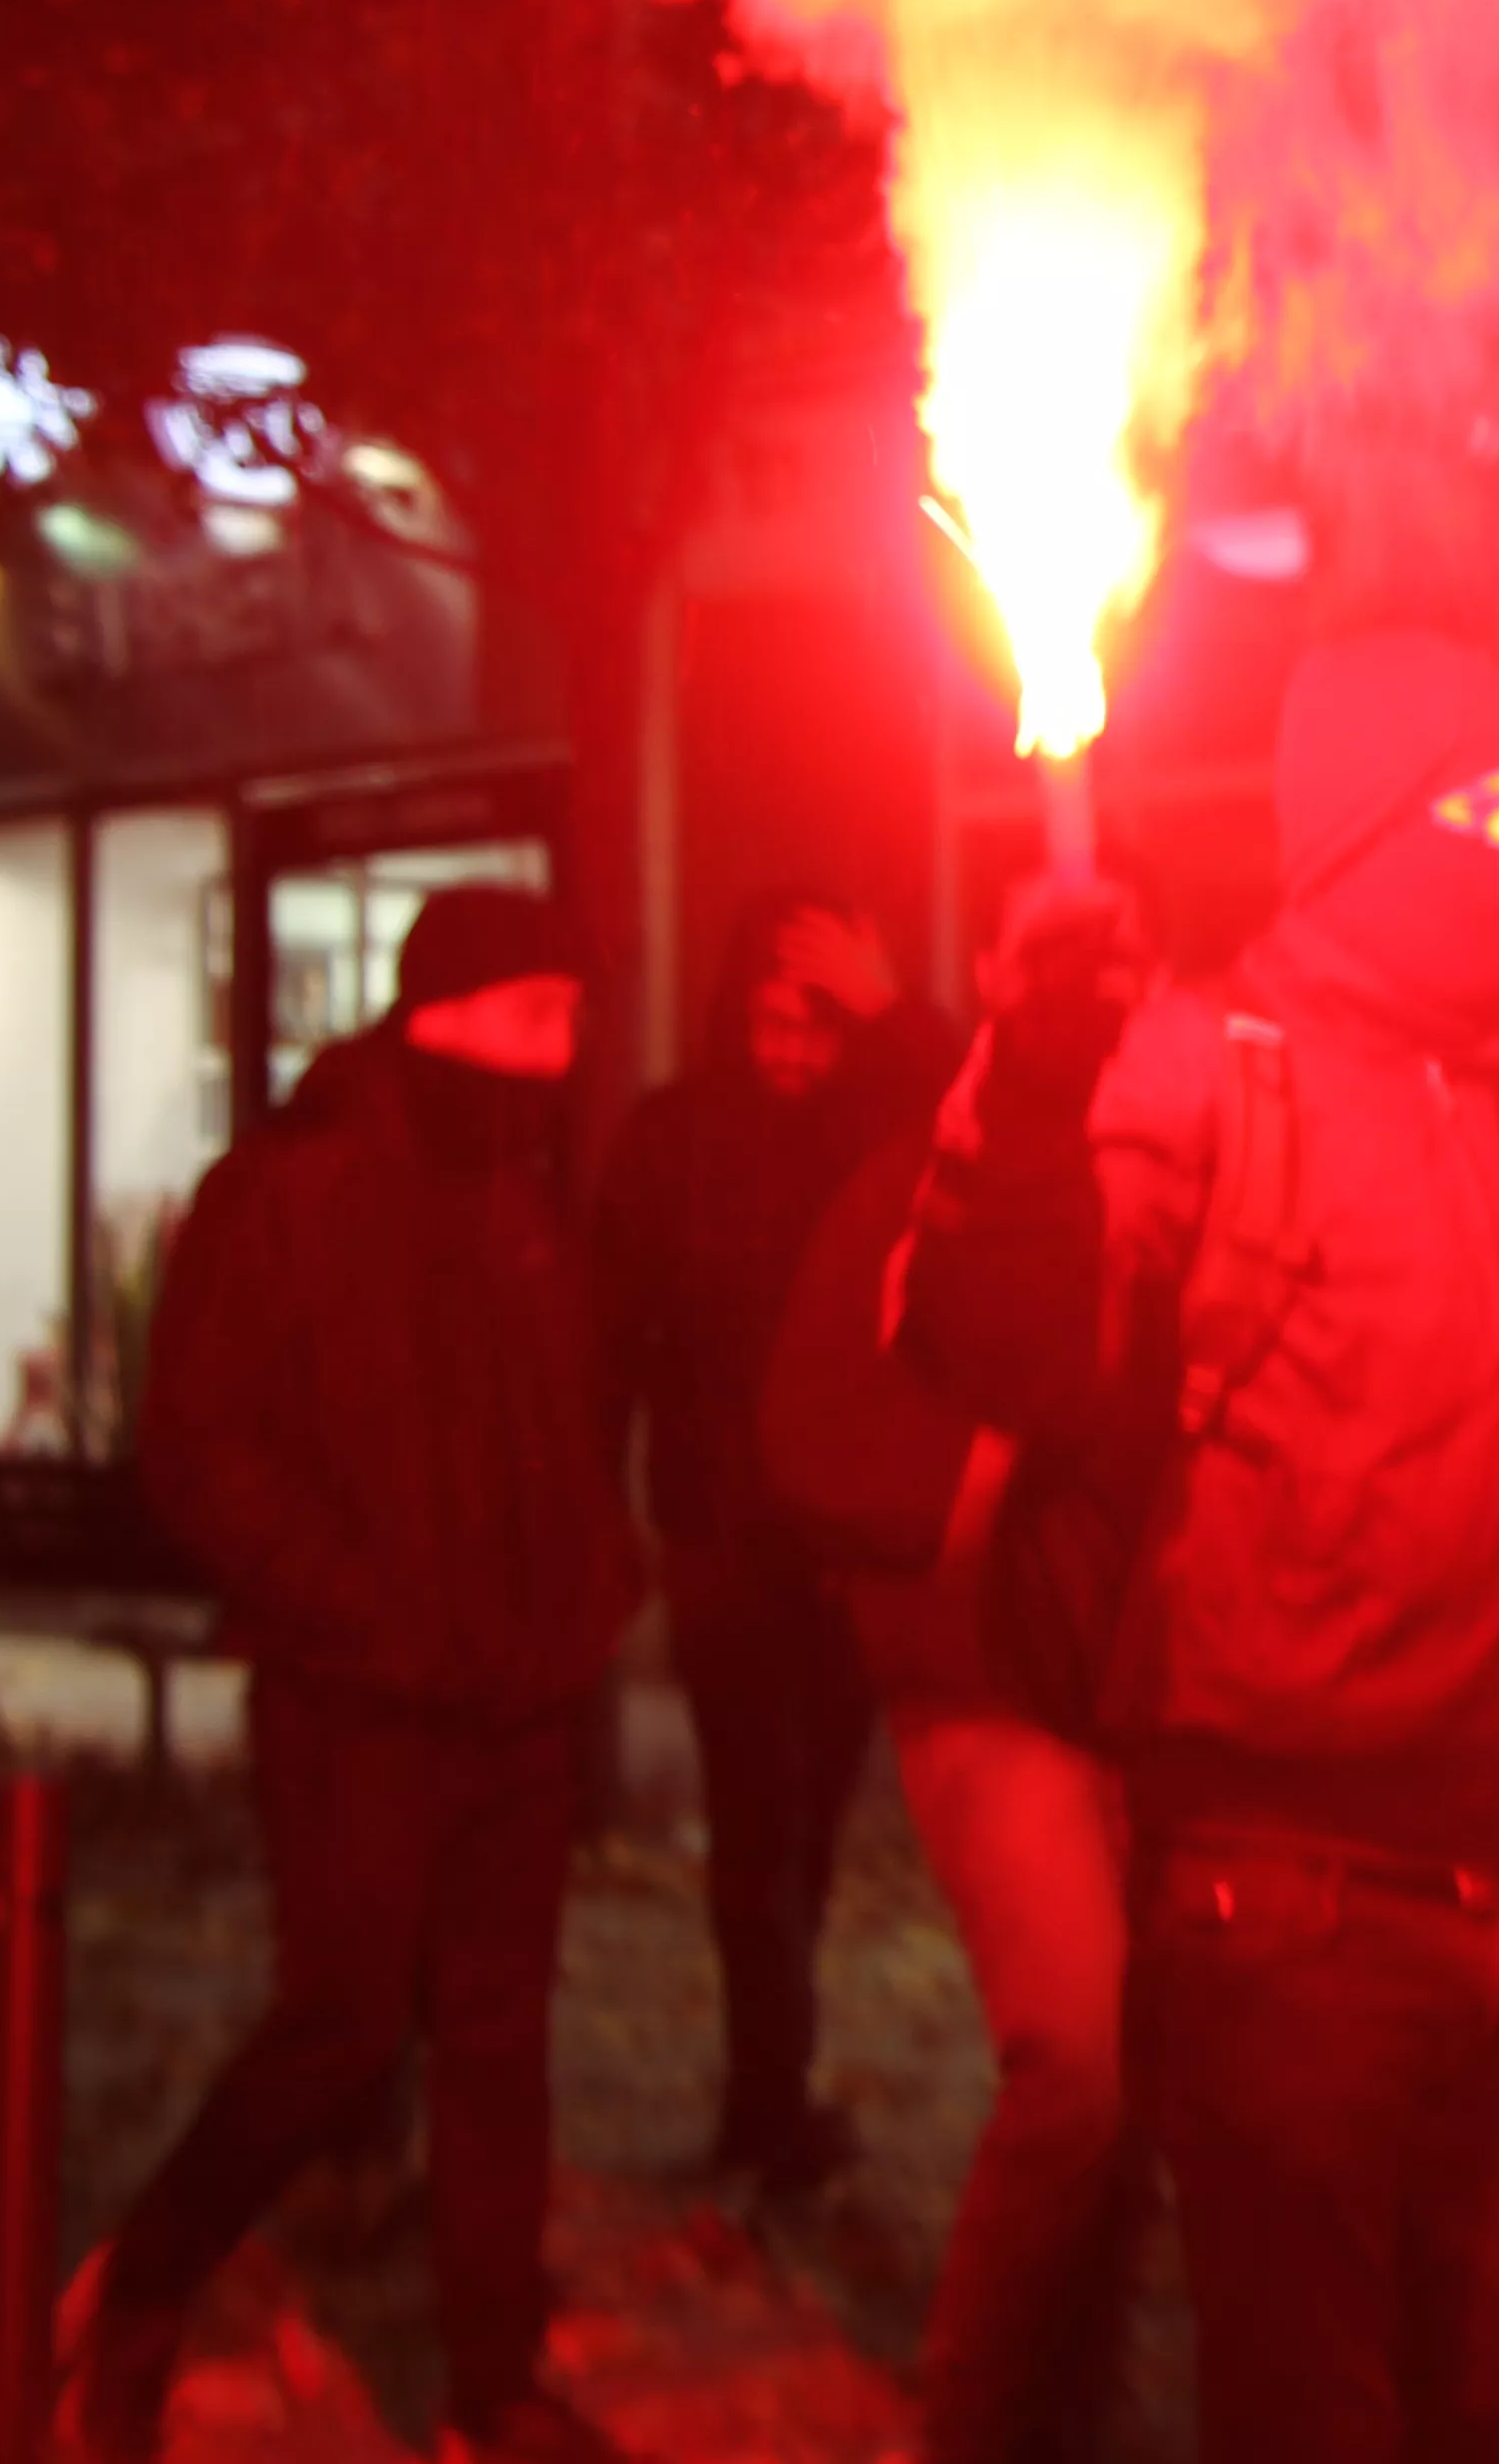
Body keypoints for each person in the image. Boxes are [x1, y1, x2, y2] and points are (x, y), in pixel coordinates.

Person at [901, 630, 1499, 2464]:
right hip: (1289, 1909)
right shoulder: (1193, 1070)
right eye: (1474, 809)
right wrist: (1020, 1084)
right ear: (1358, 838)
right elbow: (1008, 1342)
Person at [76, 889, 644, 2464]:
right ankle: (139, 2286)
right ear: (445, 1017)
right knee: (336, 2025)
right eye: (540, 1014)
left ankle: (490, 2382)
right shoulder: (292, 1195)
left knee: (497, 2043)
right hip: (360, 1697)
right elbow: (200, 1448)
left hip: (513, 1695)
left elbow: (554, 1421)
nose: (567, 1049)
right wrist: (362, 1604)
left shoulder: (522, 1194)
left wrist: (587, 1585)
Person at [759, 894, 1150, 2464]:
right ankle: (980, 2430)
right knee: (1078, 2063)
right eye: (1054, 964)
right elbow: (813, 1429)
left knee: (1151, 2098)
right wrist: (994, 1485)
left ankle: (1071, 2409)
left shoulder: (1168, 1164)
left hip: (1164, 1689)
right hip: (991, 1686)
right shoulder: (914, 1181)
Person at [596, 891, 954, 2193]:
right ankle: (765, 2103)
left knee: (803, 1832)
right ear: (732, 1012)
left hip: (844, 1548)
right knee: (760, 1831)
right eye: (773, 1022)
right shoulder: (673, 1141)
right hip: (728, 1538)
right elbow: (611, 1335)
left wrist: (894, 1010)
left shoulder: (876, 1132)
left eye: (820, 1029)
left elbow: (993, 1118)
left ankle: (777, 2090)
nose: (794, 1054)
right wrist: (613, 1511)